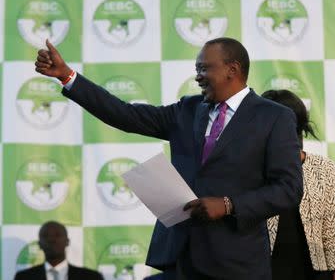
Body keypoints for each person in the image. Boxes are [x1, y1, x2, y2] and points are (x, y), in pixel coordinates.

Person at [35, 38, 302, 280]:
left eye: (203, 68)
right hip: (181, 259)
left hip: (237, 262)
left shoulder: (274, 117)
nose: (197, 77)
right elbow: (125, 115)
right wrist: (68, 77)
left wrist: (229, 205)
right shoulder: (188, 109)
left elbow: (289, 190)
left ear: (232, 69)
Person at [263, 90, 335, 280]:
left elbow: (333, 230)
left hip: (314, 272)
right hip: (264, 270)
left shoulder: (323, 167)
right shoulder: (251, 168)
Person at [14, 221, 104, 280]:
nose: (52, 240)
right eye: (46, 236)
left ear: (67, 241)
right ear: (39, 245)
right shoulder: (23, 278)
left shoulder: (91, 277)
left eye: (57, 235)